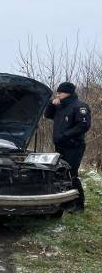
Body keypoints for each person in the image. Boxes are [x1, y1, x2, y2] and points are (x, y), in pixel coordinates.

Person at [44, 81, 91, 210]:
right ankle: (66, 202)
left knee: (71, 174)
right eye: (57, 92)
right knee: (61, 174)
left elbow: (83, 125)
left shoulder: (80, 106)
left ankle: (78, 204)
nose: (57, 95)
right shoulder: (60, 106)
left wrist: (65, 135)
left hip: (74, 146)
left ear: (68, 93)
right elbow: (47, 115)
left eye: (60, 93)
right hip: (61, 145)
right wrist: (51, 104)